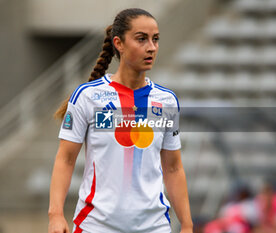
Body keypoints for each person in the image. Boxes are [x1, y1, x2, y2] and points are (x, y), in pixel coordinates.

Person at [48, 8, 193, 233]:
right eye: (141, 39)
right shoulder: (87, 96)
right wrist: (55, 214)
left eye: (155, 39)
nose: (151, 47)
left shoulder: (166, 101)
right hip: (95, 226)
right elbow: (65, 159)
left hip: (154, 227)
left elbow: (173, 168)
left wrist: (186, 224)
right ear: (119, 43)